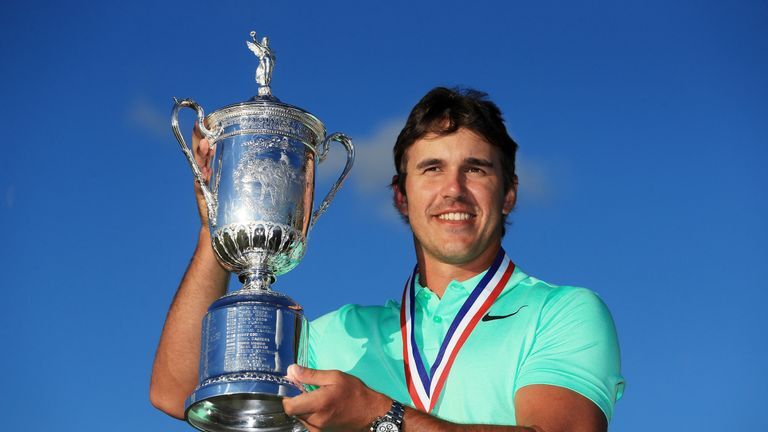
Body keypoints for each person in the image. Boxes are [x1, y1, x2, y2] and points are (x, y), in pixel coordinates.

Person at [150, 87, 624, 432]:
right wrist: (216, 225)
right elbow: (181, 390)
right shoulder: (336, 338)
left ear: (509, 194)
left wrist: (382, 416)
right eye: (431, 169)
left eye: (475, 169)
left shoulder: (563, 314)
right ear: (401, 196)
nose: (453, 190)